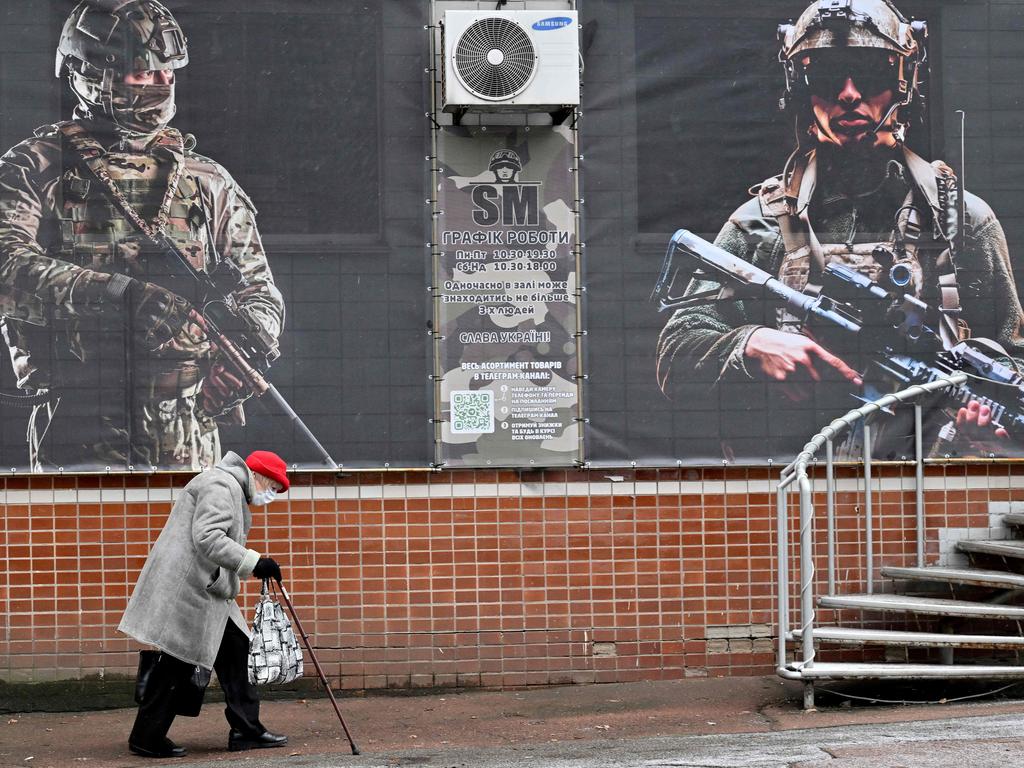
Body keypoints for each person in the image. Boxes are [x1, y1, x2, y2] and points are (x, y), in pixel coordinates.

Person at [656, 0, 1024, 459]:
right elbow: (677, 353)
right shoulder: (762, 224)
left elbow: (1013, 362)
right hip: (790, 490)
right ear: (802, 89)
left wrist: (990, 436)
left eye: (869, 74)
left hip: (931, 496)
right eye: (829, 77)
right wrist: (751, 344)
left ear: (902, 83)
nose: (849, 94)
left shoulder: (959, 221)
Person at [0, 0, 284, 472]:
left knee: (192, 544)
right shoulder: (37, 166)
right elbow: (6, 265)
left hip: (189, 427)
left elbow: (259, 288)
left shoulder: (206, 180)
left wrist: (246, 347)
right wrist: (121, 295)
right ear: (92, 74)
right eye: (142, 73)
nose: (160, 83)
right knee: (86, 547)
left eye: (167, 73)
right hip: (81, 424)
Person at [118, 449, 291, 758]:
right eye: (273, 488)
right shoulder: (222, 486)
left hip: (208, 589)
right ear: (260, 478)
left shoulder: (227, 486)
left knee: (237, 649)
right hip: (192, 590)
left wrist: (251, 564)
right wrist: (255, 563)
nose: (271, 496)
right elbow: (208, 538)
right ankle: (146, 737)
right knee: (178, 662)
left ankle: (246, 728)